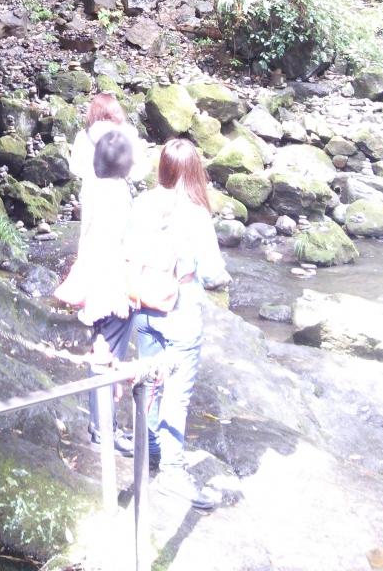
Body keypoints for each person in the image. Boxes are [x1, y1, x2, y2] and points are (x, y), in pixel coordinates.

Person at [129, 137, 230, 510]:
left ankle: (151, 448)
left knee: (150, 383)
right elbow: (213, 271)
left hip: (143, 304)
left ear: (164, 168)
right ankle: (172, 472)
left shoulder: (142, 203)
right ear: (193, 172)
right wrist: (220, 278)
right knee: (176, 394)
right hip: (180, 309)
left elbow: (128, 250)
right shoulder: (196, 213)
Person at [54, 129, 136, 454]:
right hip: (110, 286)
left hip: (95, 282)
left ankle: (100, 426)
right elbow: (112, 246)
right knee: (107, 356)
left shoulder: (94, 187)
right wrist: (120, 292)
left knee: (101, 351)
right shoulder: (118, 195)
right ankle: (104, 430)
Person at [69, 92, 146, 188]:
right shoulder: (129, 133)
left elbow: (74, 168)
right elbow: (139, 172)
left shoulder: (83, 136)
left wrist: (90, 173)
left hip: (90, 191)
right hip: (120, 190)